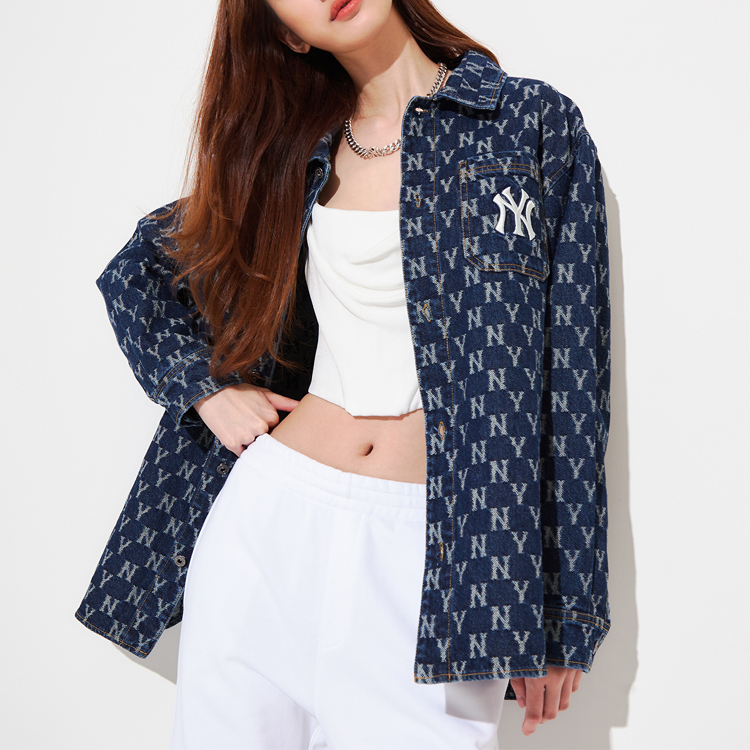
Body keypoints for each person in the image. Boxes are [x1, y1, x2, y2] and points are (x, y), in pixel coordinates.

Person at [75, 0, 612, 747]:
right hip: (267, 532)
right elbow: (138, 271)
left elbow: (576, 384)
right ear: (288, 33)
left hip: (445, 558)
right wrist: (206, 390)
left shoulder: (529, 123)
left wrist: (564, 614)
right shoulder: (293, 153)